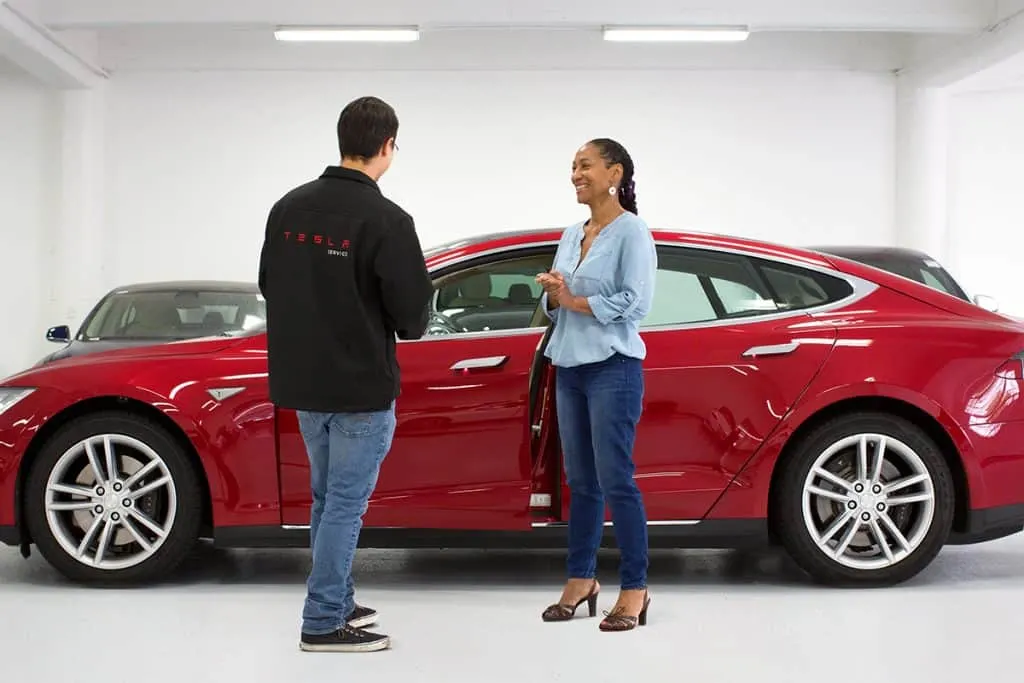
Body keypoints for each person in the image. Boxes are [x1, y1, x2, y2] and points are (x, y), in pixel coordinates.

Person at [257, 96, 433, 653]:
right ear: (387, 146)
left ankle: (340, 593)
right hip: (359, 388)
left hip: (305, 385)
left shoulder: (287, 208)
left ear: (341, 140)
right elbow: (412, 320)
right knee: (345, 505)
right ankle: (324, 619)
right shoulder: (387, 220)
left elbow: (269, 284)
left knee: (325, 499)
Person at [535, 138, 657, 632]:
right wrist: (552, 295)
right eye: (572, 167)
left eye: (584, 166)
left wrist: (570, 299)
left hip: (613, 367)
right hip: (570, 367)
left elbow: (636, 304)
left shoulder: (633, 234)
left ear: (615, 173)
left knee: (616, 480)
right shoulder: (572, 232)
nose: (575, 174)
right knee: (580, 483)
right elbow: (555, 304)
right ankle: (581, 579)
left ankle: (635, 588)